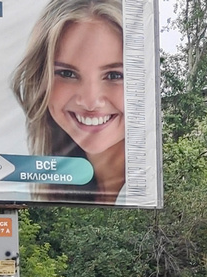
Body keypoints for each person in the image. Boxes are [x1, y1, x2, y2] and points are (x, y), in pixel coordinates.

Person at [11, 0, 125, 204]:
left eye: (114, 75)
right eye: (67, 73)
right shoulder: (54, 184)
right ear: (40, 80)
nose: (90, 103)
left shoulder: (152, 185)